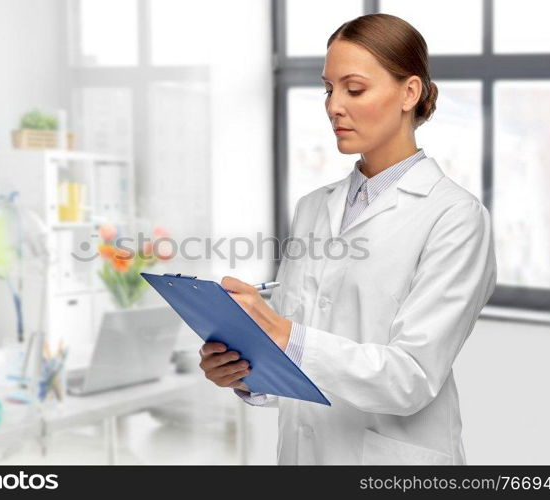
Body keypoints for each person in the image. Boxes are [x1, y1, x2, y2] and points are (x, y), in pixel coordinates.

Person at [198, 13, 497, 465]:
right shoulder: (314, 207)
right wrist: (245, 371)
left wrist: (281, 332)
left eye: (354, 89)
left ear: (409, 92)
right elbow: (301, 354)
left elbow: (410, 377)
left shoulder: (455, 216)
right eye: (329, 88)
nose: (334, 105)